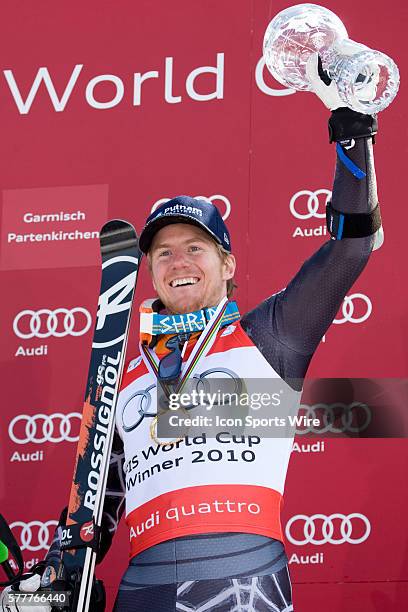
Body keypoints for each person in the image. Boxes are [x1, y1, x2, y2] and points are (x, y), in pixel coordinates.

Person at [1, 51, 382, 611]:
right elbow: (95, 510)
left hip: (246, 585)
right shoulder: (124, 375)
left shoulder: (272, 337)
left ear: (227, 265)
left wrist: (353, 129)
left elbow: (350, 247)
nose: (178, 262)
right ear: (148, 269)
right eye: (163, 252)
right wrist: (55, 574)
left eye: (195, 247)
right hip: (144, 588)